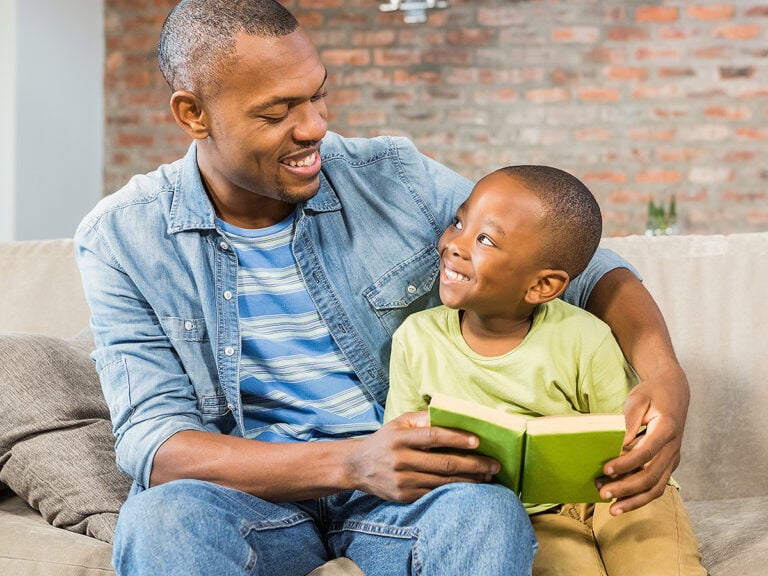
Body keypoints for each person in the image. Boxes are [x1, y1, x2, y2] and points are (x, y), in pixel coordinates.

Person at [73, 0, 690, 574]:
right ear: (193, 114)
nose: (314, 127)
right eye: (277, 111)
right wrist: (353, 461)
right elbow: (155, 443)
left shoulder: (391, 176)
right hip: (249, 499)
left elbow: (583, 268)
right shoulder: (122, 238)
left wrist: (666, 378)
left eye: (317, 97)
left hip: (403, 498)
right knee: (162, 518)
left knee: (485, 512)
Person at [383, 165, 706, 575]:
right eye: (458, 222)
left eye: (484, 239)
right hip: (529, 516)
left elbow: (625, 435)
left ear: (542, 287)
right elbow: (403, 445)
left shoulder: (584, 336)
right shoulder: (416, 339)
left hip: (617, 497)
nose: (455, 245)